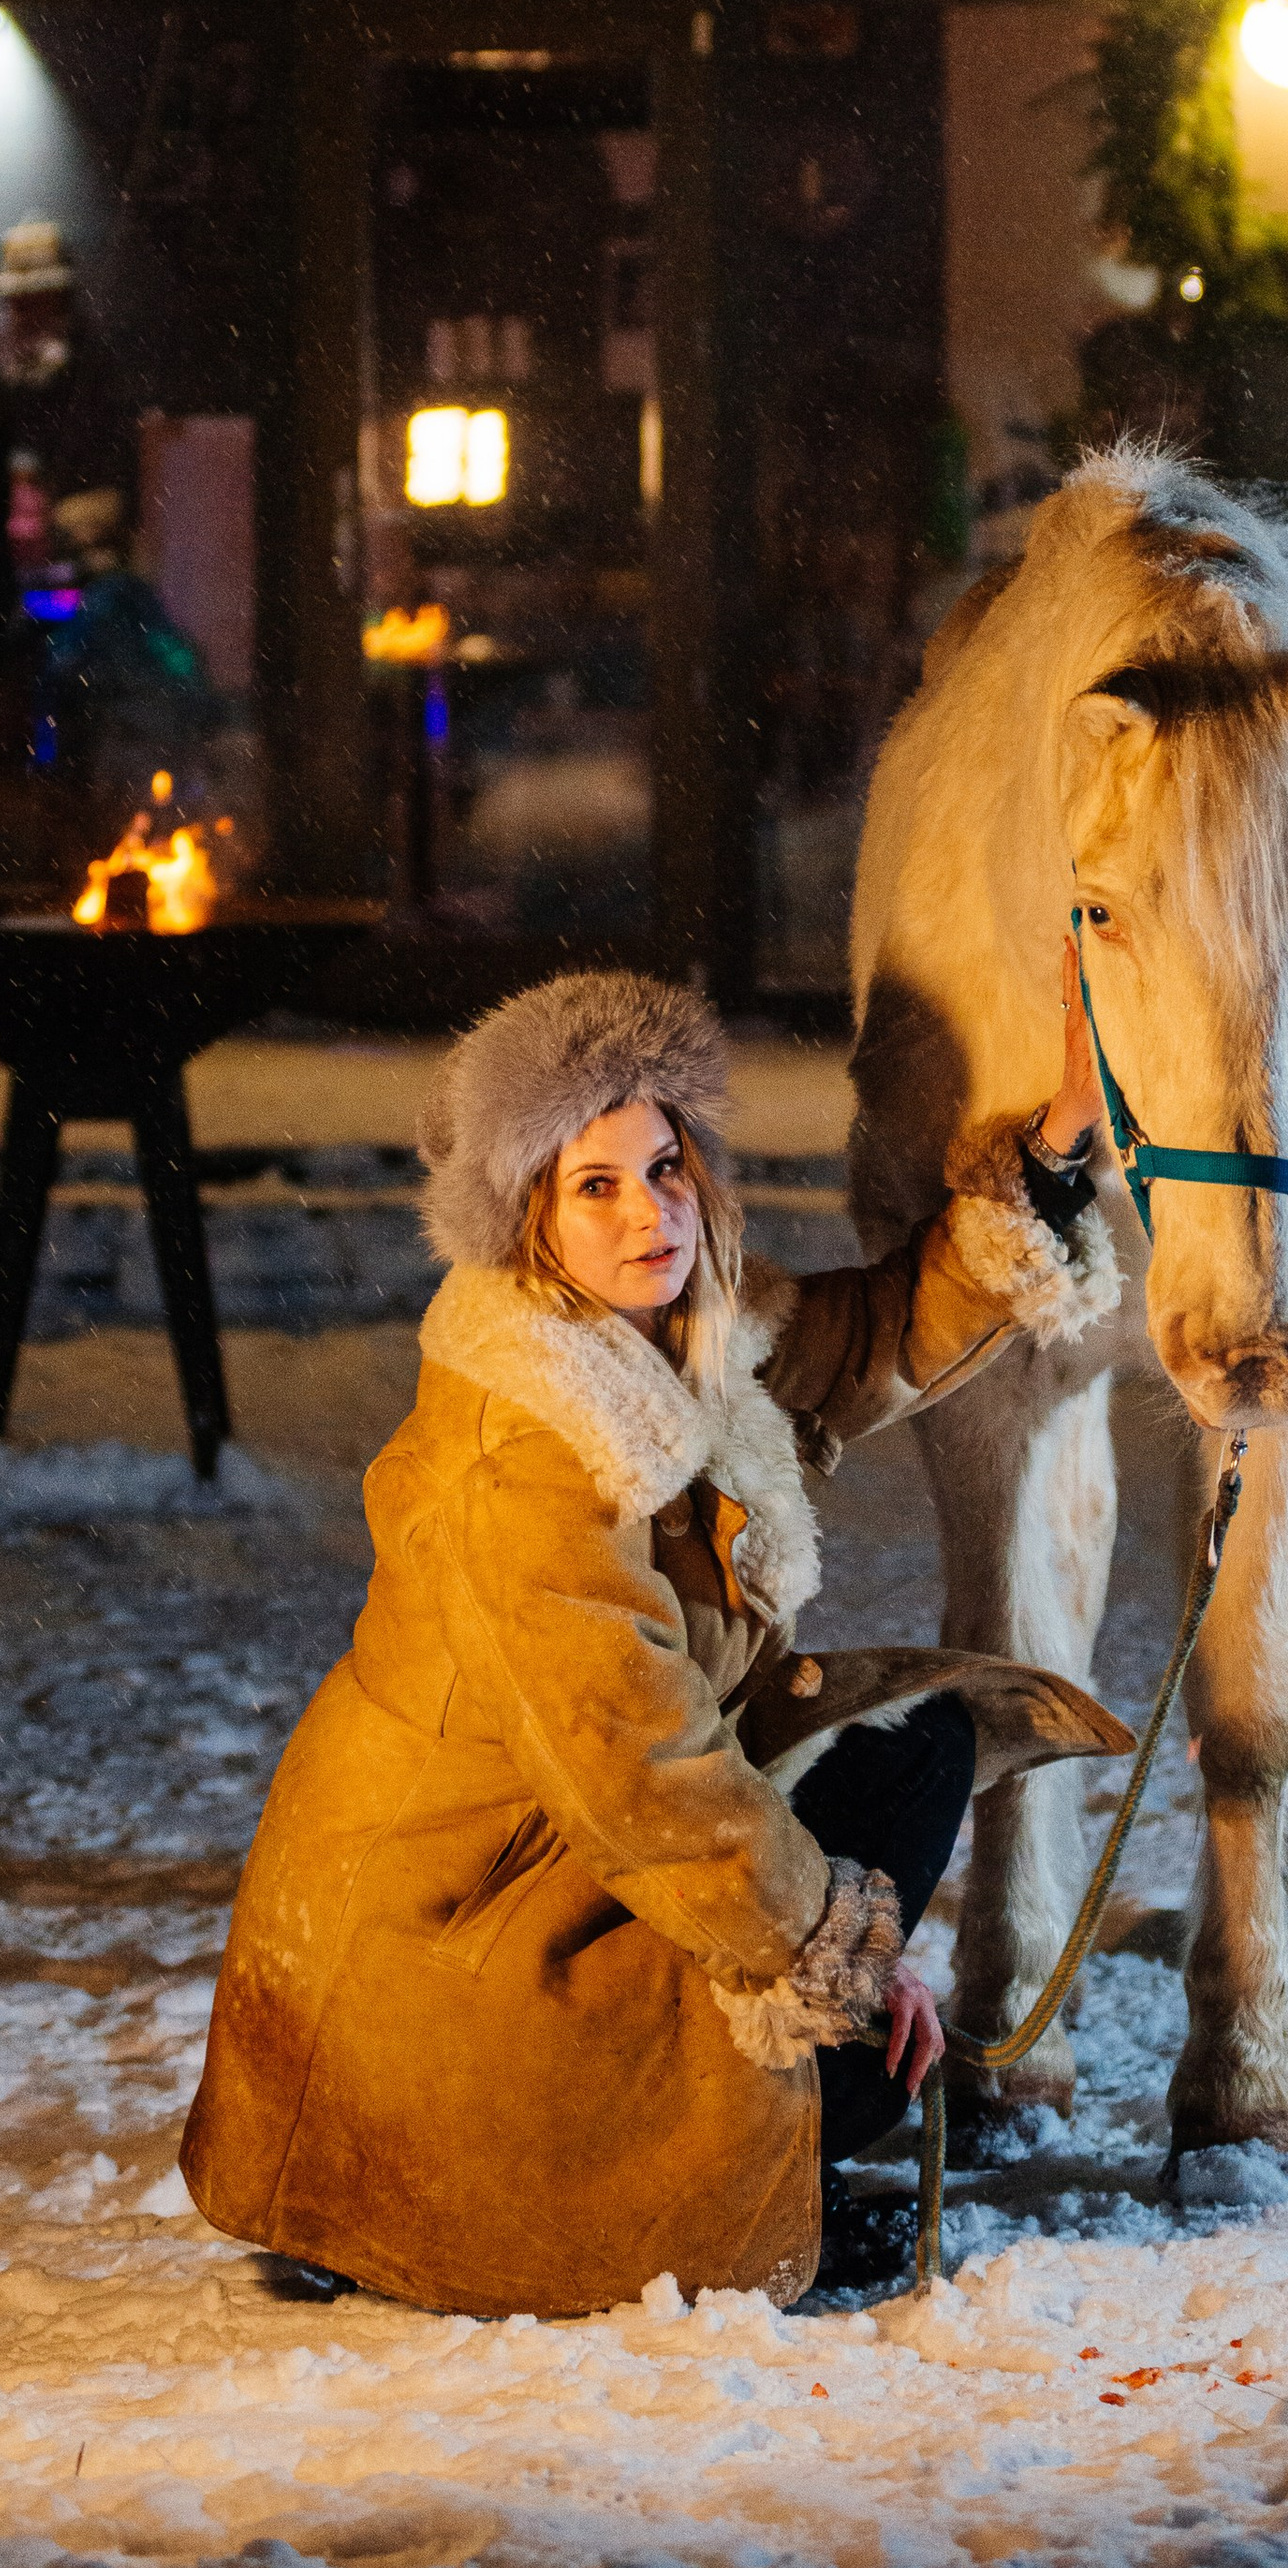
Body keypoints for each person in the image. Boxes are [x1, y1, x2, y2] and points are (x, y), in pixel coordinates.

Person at [181, 961, 1120, 2316]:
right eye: (596, 1185)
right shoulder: (530, 1450)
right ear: (526, 1218)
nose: (648, 1213)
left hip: (568, 1866)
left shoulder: (685, 1332)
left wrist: (1050, 1154)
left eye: (664, 1167)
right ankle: (703, 2186)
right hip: (460, 1954)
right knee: (850, 2051)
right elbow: (644, 1769)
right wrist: (851, 1954)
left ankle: (786, 2115)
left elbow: (867, 1338)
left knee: (919, 1745)